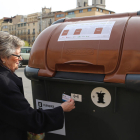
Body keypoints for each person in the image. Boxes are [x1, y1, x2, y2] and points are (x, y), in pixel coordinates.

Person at [0, 31, 75, 140]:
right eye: (17, 55)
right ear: (3, 57)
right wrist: (61, 109)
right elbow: (31, 119)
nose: (20, 58)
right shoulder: (4, 83)